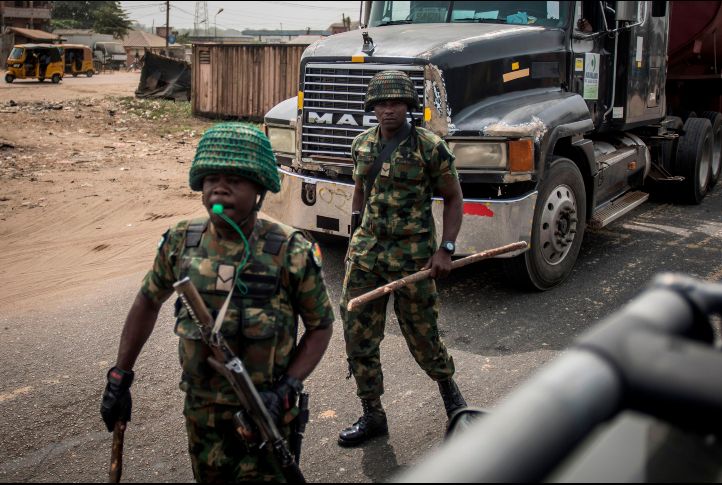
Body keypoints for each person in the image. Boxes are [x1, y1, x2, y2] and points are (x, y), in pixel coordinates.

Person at [100, 122, 335, 482]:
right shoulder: (182, 242)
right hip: (203, 417)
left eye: (235, 181)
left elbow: (320, 326)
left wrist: (287, 387)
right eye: (211, 179)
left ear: (258, 189)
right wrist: (120, 375)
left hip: (267, 416)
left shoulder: (289, 250)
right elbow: (147, 302)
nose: (219, 189)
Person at [338, 70, 467, 447]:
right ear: (372, 107)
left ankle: (454, 403)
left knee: (424, 336)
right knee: (358, 333)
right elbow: (361, 190)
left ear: (409, 107)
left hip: (414, 258)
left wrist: (446, 248)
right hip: (367, 257)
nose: (388, 109)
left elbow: (454, 198)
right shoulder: (362, 144)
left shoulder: (430, 147)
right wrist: (355, 234)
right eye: (381, 103)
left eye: (396, 102)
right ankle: (372, 413)